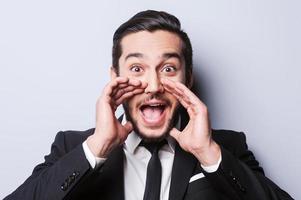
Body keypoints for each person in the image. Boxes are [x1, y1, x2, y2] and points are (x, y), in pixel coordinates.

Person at [5, 10, 293, 200]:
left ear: (188, 79)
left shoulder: (227, 148)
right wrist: (96, 150)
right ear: (114, 78)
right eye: (137, 69)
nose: (154, 86)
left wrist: (209, 154)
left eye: (168, 69)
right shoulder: (72, 147)